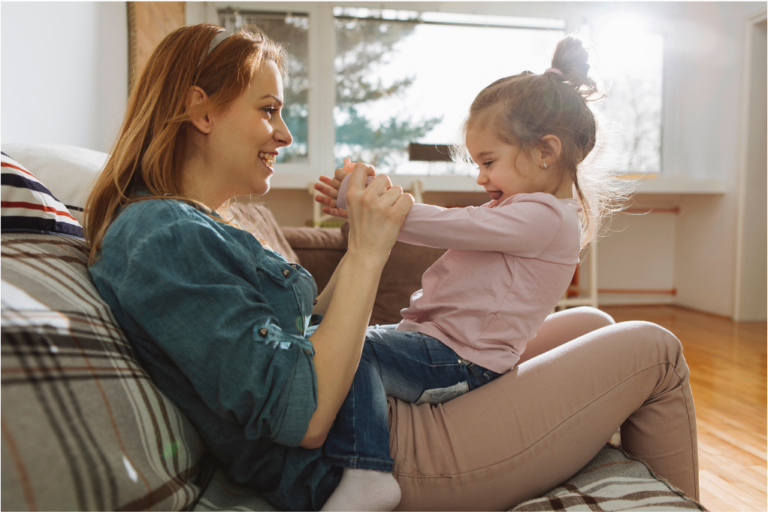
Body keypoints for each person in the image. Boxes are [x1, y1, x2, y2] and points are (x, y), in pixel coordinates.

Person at [85, 24, 698, 512]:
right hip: (390, 449)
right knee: (655, 349)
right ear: (202, 110)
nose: (286, 133)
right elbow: (300, 402)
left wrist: (375, 228)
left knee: (592, 320)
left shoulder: (199, 226)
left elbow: (304, 328)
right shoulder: (161, 234)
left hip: (410, 400)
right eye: (269, 109)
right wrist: (370, 244)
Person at [312, 37, 634, 511]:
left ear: (546, 151)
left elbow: (453, 224)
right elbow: (460, 223)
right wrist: (364, 206)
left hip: (462, 361)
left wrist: (377, 205)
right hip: (438, 346)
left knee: (353, 346)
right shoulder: (525, 208)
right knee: (331, 333)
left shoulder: (545, 216)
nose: (481, 177)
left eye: (488, 162)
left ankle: (367, 473)